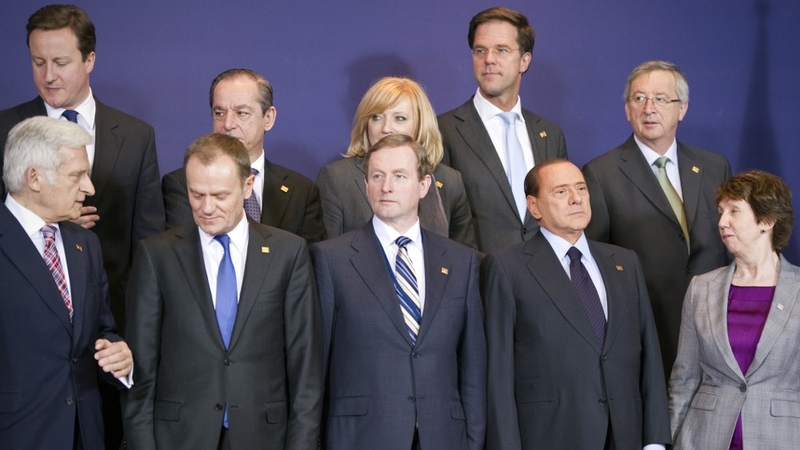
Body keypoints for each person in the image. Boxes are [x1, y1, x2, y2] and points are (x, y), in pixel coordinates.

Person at [0, 5, 164, 447]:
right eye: (38, 63)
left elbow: (148, 246)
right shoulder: (4, 130)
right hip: (24, 381)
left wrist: (128, 343)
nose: (48, 75)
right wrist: (39, 219)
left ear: (89, 60)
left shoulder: (137, 135)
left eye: (61, 62)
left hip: (99, 353)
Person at [122, 133, 323, 449]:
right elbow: (140, 369)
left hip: (264, 437)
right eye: (196, 194)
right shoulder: (157, 255)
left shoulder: (289, 253)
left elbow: (305, 367)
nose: (206, 207)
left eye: (219, 195)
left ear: (247, 187)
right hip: (180, 437)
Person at [311, 134, 486, 450]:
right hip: (361, 437)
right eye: (376, 176)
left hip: (444, 437)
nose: (386, 186)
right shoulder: (330, 259)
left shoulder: (462, 262)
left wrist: (472, 441)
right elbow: (315, 368)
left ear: (424, 185)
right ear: (366, 185)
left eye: (399, 176)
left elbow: (472, 369)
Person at [482, 159, 670, 449]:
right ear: (534, 207)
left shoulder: (624, 262)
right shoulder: (508, 267)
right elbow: (498, 371)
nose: (576, 198)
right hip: (551, 436)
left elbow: (650, 356)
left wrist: (656, 440)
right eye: (560, 191)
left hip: (626, 435)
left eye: (581, 188)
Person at [582, 60, 731, 377]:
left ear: (682, 109)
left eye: (661, 99)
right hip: (646, 330)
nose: (648, 108)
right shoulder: (600, 174)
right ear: (627, 109)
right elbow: (595, 262)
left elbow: (730, 246)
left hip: (716, 326)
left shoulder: (714, 167)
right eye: (638, 98)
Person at [0, 117, 133, 449]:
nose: (89, 188)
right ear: (34, 178)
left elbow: (101, 331)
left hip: (86, 434)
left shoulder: (85, 243)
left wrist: (118, 356)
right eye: (77, 175)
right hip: (19, 434)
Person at [669, 171, 799, 449]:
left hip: (781, 438)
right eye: (721, 211)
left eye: (734, 211)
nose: (722, 222)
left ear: (767, 220)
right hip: (703, 437)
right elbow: (685, 378)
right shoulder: (701, 288)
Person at [438, 6, 567, 253]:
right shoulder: (442, 131)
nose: (489, 59)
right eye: (480, 50)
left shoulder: (550, 134)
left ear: (524, 61)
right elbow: (442, 222)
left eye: (502, 50)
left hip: (546, 279)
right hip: (479, 281)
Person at [162, 68, 325, 244]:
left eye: (241, 113)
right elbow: (182, 254)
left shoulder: (301, 190)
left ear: (268, 118)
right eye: (219, 113)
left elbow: (308, 265)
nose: (228, 124)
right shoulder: (181, 183)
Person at [317, 76, 475, 248]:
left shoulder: (449, 179)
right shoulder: (337, 177)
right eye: (376, 117)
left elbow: (464, 258)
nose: (386, 128)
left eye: (399, 118)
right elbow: (327, 257)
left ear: (420, 124)